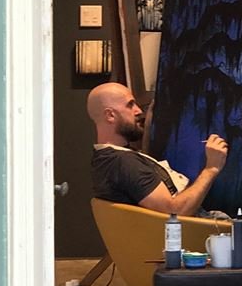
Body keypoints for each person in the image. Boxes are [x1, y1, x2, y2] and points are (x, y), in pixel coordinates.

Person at [87, 82, 228, 216]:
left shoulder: (104, 158)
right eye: (130, 105)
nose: (139, 111)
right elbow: (175, 211)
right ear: (110, 115)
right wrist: (211, 168)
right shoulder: (123, 163)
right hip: (192, 233)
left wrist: (148, 125)